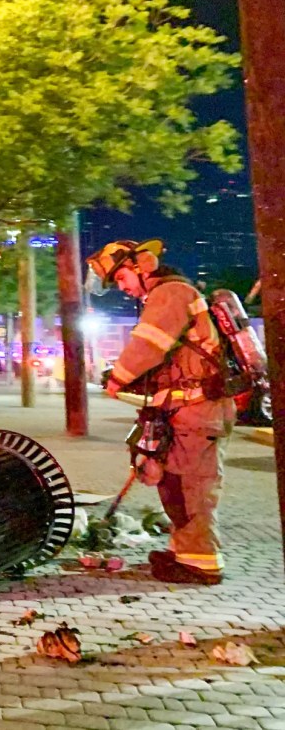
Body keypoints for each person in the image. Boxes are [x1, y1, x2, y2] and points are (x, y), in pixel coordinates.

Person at [85, 238, 234, 585]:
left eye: (122, 278)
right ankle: (186, 552)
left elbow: (147, 346)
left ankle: (202, 565)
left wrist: (118, 378)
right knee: (178, 486)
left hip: (198, 413)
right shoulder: (167, 295)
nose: (122, 288)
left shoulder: (171, 294)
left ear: (140, 267)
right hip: (188, 412)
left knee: (191, 490)